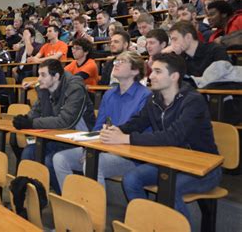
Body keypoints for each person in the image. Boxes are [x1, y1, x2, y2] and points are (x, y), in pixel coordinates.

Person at [101, 53, 221, 221]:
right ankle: (148, 223)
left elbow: (173, 136)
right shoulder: (154, 99)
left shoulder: (193, 101)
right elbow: (136, 123)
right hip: (168, 163)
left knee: (171, 189)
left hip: (203, 167)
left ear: (174, 76)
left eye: (157, 71)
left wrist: (125, 138)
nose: (151, 76)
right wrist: (114, 131)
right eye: (152, 71)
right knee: (131, 179)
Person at [53, 51, 151, 190]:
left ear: (135, 70)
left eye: (122, 62)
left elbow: (138, 131)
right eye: (116, 61)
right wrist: (89, 148)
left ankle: (94, 210)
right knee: (60, 159)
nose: (116, 64)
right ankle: (74, 204)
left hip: (131, 155)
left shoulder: (145, 95)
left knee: (92, 163)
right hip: (105, 147)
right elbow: (98, 127)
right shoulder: (109, 94)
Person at [13, 59, 95, 193]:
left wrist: (31, 123)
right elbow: (38, 110)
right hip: (57, 137)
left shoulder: (75, 88)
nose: (39, 79)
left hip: (81, 140)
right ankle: (31, 197)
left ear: (56, 76)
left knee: (50, 160)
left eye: (43, 75)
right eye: (39, 74)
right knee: (29, 152)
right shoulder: (45, 87)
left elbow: (65, 121)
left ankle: (66, 198)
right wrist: (25, 119)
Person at [165, 21, 230, 77]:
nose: (172, 44)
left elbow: (226, 78)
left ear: (188, 37)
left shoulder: (216, 50)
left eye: (175, 39)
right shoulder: (180, 57)